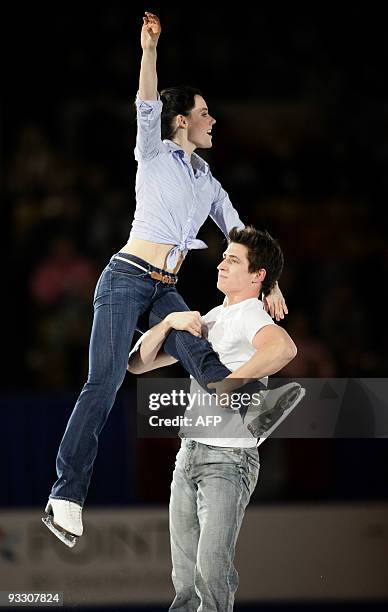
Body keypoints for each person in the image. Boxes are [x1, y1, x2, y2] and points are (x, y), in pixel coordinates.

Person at [42, 12, 290, 547]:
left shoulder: (210, 184)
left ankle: (241, 400)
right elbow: (146, 101)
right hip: (127, 278)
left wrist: (270, 283)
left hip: (166, 287)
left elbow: (243, 238)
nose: (213, 121)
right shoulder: (152, 152)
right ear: (182, 122)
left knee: (197, 345)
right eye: (205, 114)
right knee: (103, 381)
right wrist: (149, 51)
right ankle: (65, 496)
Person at [127, 226, 304, 611]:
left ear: (258, 277)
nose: (222, 262)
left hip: (227, 460)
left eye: (233, 259)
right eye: (224, 256)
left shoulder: (248, 315)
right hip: (188, 456)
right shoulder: (214, 317)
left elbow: (284, 346)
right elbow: (137, 364)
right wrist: (167, 324)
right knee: (185, 581)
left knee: (211, 571)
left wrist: (230, 385)